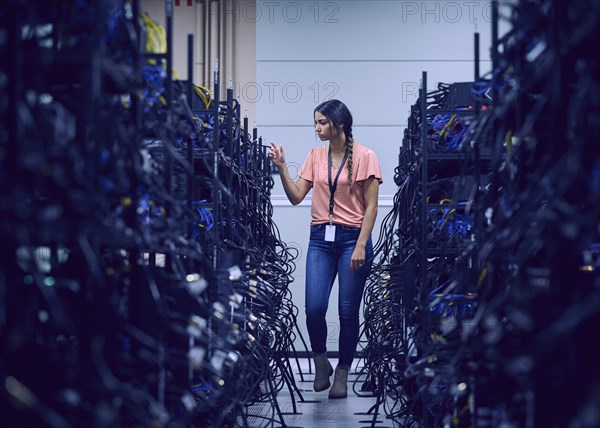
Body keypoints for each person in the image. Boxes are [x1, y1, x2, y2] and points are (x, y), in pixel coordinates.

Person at [268, 99, 382, 399]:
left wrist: (360, 245)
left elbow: (371, 207)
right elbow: (295, 196)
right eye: (315, 122)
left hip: (353, 240)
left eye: (321, 122)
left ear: (339, 124)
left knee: (347, 311)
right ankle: (321, 362)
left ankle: (342, 372)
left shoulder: (366, 156)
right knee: (314, 308)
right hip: (320, 238)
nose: (317, 128)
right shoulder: (314, 156)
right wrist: (281, 167)